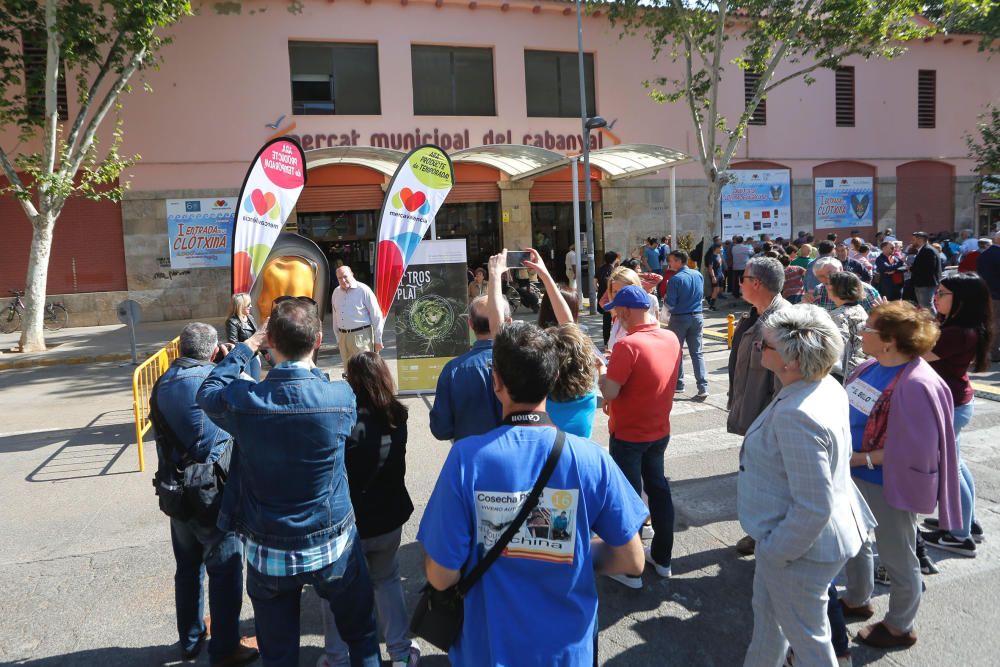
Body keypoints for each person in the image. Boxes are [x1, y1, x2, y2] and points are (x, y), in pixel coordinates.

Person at [417, 321, 647, 665]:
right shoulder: (591, 458)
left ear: (496, 382)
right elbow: (632, 560)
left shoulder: (467, 459)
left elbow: (440, 574)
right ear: (553, 381)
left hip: (487, 649)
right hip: (567, 653)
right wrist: (568, 549)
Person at [197, 298, 380, 667]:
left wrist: (246, 346)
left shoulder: (246, 401)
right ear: (318, 339)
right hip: (333, 544)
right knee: (361, 637)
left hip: (269, 550)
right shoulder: (340, 397)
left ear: (270, 343)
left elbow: (207, 391)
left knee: (279, 655)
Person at [739, 306, 870, 667]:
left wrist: (776, 552)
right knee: (769, 623)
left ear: (791, 361)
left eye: (764, 346)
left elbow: (813, 506)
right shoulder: (826, 384)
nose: (757, 349)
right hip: (798, 541)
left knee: (810, 642)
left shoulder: (798, 414)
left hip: (800, 550)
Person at [841, 301, 961, 651]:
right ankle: (858, 598)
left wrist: (858, 459)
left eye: (869, 328)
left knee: (897, 556)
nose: (862, 331)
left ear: (890, 340)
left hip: (885, 482)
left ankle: (900, 626)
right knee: (855, 542)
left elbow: (912, 451)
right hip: (857, 473)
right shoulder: (869, 366)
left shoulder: (918, 383)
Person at [152, 323, 258, 667]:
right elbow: (249, 405)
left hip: (176, 492)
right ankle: (225, 647)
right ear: (213, 352)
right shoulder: (212, 384)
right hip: (213, 494)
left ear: (180, 349)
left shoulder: (162, 381)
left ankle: (191, 639)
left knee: (187, 569)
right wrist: (236, 364)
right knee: (225, 570)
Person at [319, 352, 419, 667]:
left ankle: (337, 656)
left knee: (336, 588)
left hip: (347, 519)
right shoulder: (396, 415)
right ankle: (401, 652)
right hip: (388, 515)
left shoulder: (340, 416)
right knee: (387, 580)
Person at [598, 284, 683, 588]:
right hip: (659, 429)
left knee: (628, 499)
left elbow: (610, 391)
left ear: (629, 310)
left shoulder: (628, 346)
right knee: (658, 489)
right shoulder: (671, 337)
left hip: (628, 434)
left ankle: (630, 569)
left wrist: (602, 370)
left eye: (618, 311)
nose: (617, 317)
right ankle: (663, 558)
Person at [919, 273, 994, 555]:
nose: (935, 298)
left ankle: (959, 535)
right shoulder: (958, 326)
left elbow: (915, 353)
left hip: (949, 405)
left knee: (950, 469)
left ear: (961, 300)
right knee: (956, 465)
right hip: (955, 402)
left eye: (942, 293)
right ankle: (965, 521)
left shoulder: (957, 333)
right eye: (937, 291)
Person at [727, 257, 791, 556]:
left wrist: (773, 423)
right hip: (752, 412)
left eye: (744, 278)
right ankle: (760, 530)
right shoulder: (755, 315)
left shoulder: (782, 322)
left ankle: (767, 535)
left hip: (768, 419)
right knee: (757, 479)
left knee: (772, 480)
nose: (739, 283)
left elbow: (785, 382)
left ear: (757, 283)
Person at [429, 294, 509, 442]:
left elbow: (441, 429)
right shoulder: (521, 364)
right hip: (515, 457)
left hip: (469, 458)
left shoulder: (452, 370)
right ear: (508, 322)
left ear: (470, 324)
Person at [665, 250, 709, 398]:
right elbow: (701, 295)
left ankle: (679, 384)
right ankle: (702, 386)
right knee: (697, 353)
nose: (669, 263)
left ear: (678, 261)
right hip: (697, 316)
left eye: (671, 260)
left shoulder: (675, 279)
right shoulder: (698, 275)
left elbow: (670, 303)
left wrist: (664, 300)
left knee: (677, 352)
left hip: (679, 318)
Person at [331, 265, 385, 363]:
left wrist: (378, 340)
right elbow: (335, 316)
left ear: (352, 274)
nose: (343, 280)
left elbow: (376, 316)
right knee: (348, 370)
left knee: (364, 369)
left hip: (361, 336)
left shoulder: (363, 290)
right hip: (343, 337)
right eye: (339, 278)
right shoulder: (336, 292)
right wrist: (338, 338)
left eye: (345, 276)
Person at [602, 266, 659, 353]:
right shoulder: (618, 319)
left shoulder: (649, 324)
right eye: (615, 292)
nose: (618, 296)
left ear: (635, 289)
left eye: (623, 290)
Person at [828, 271, 868, 382]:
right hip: (862, 366)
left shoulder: (839, 316)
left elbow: (837, 349)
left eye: (829, 284)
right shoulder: (860, 309)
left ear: (836, 288)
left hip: (845, 374)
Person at [806, 257, 883, 313]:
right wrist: (805, 304)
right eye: (821, 276)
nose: (828, 278)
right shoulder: (819, 290)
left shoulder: (865, 289)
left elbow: (875, 318)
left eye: (831, 273)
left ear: (841, 270)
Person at [225, 293, 262, 381]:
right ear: (241, 306)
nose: (251, 306)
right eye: (248, 305)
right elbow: (233, 342)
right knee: (246, 382)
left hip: (254, 355)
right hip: (243, 356)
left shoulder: (250, 317)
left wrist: (265, 353)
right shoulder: (232, 321)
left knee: (256, 381)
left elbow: (256, 336)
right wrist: (249, 346)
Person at [975, 232, 1000, 362]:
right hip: (997, 294)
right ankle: (993, 352)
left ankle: (984, 350)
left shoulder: (983, 255)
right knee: (995, 323)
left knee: (987, 322)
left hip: (985, 292)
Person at [908, 231, 941, 314]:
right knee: (924, 306)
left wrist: (912, 268)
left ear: (920, 240)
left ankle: (934, 323)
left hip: (925, 283)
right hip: (923, 283)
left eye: (913, 239)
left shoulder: (928, 250)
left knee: (926, 306)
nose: (911, 242)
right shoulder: (925, 249)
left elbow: (928, 268)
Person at [596, 251, 621, 347]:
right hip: (611, 298)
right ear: (614, 259)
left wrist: (599, 289)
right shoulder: (614, 271)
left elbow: (595, 282)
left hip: (603, 298)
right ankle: (614, 341)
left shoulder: (600, 268)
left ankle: (606, 341)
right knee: (615, 321)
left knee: (606, 321)